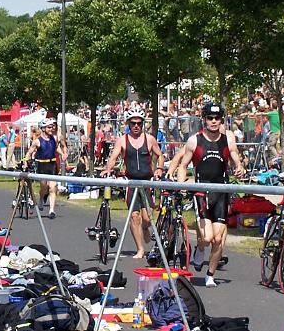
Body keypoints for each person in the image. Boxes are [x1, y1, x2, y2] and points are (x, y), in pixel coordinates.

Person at [177, 102, 245, 288]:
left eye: (217, 118)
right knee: (206, 238)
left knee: (218, 239)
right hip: (202, 192)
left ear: (221, 120)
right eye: (210, 118)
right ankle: (200, 249)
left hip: (221, 192)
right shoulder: (195, 140)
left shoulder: (228, 138)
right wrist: (181, 185)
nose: (214, 121)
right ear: (204, 120)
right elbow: (183, 166)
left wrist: (239, 167)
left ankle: (210, 275)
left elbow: (235, 157)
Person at [102, 107, 165, 259]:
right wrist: (108, 169)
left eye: (139, 123)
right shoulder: (122, 140)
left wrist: (159, 168)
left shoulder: (149, 139)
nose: (136, 126)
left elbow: (160, 155)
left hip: (147, 182)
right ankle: (140, 249)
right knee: (134, 216)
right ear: (128, 124)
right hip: (131, 182)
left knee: (147, 219)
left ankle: (145, 228)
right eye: (133, 123)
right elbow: (113, 157)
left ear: (142, 124)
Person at [24, 118, 66, 219]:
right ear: (43, 128)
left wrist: (63, 154)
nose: (52, 129)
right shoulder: (37, 141)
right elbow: (29, 153)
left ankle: (52, 210)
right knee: (44, 187)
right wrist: (25, 161)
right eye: (49, 127)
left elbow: (57, 147)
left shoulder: (54, 138)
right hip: (42, 165)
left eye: (52, 127)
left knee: (53, 187)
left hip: (52, 165)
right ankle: (42, 198)